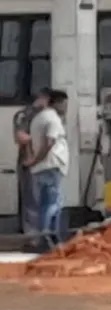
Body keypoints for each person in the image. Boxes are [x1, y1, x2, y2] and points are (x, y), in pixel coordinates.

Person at [23, 89, 69, 248]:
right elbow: (49, 143)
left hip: (42, 168)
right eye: (64, 104)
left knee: (49, 203)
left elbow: (30, 141)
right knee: (50, 204)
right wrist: (35, 160)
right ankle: (46, 237)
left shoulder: (38, 118)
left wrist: (32, 160)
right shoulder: (53, 119)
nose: (65, 108)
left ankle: (53, 237)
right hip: (50, 166)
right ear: (55, 103)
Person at [12, 88, 50, 247]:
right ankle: (32, 238)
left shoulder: (49, 115)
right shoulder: (25, 115)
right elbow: (21, 137)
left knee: (47, 201)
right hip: (29, 162)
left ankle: (45, 236)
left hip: (47, 163)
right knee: (31, 201)